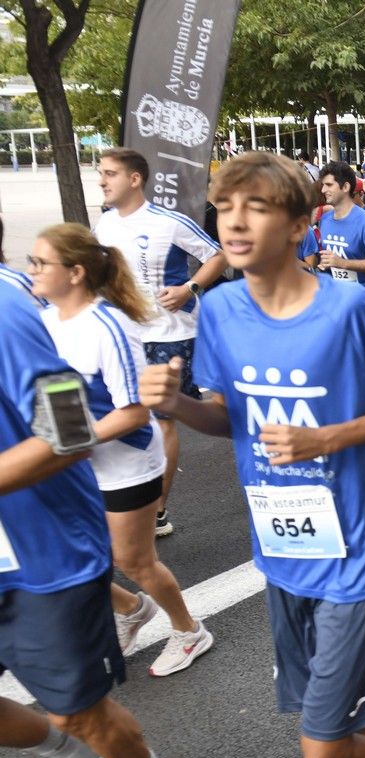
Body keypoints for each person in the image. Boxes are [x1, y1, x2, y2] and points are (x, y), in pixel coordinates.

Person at [138, 151, 365, 758]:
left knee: (321, 747)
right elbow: (232, 418)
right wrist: (177, 406)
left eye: (255, 206)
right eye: (225, 207)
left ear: (300, 224)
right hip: (283, 546)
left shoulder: (344, 312)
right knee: (350, 710)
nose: (234, 221)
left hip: (356, 549)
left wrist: (326, 436)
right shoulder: (220, 312)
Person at [0, 280, 192, 758]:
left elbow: (69, 433)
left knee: (77, 710)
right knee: (71, 727)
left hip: (40, 558)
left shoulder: (7, 312)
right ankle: (74, 757)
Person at [30, 222, 214, 677]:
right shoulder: (44, 318)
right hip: (75, 461)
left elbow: (133, 413)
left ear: (74, 272)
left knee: (132, 559)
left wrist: (68, 441)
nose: (30, 269)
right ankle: (131, 608)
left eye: (40, 263)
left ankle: (189, 630)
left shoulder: (107, 326)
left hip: (126, 464)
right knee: (71, 550)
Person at [93, 147, 226, 537]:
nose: (102, 180)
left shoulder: (170, 222)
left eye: (110, 173)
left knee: (161, 422)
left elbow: (217, 256)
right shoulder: (103, 226)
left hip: (170, 334)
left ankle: (157, 511)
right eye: (101, 173)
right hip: (123, 337)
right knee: (125, 414)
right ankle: (124, 498)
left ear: (135, 179)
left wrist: (190, 287)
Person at [316, 161, 365, 313]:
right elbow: (333, 259)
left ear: (345, 187)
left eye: (329, 185)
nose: (323, 190)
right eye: (323, 185)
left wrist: (342, 263)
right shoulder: (325, 220)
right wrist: (325, 265)